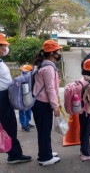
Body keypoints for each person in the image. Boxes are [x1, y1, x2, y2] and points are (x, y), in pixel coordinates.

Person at [0, 33, 32, 164]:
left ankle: (14, 153)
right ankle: (14, 154)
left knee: (11, 125)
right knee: (8, 126)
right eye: (4, 46)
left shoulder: (1, 60)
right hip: (1, 98)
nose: (6, 48)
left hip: (5, 96)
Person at [32, 40, 62, 166]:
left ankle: (46, 153)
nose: (60, 52)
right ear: (52, 53)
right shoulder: (49, 67)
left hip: (38, 102)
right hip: (43, 103)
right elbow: (50, 89)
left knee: (43, 130)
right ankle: (45, 158)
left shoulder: (43, 64)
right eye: (58, 50)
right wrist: (55, 107)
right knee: (44, 131)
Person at [18, 64, 35, 132]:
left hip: (28, 94)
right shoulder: (23, 77)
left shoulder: (30, 76)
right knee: (23, 110)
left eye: (25, 71)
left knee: (28, 109)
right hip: (22, 95)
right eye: (22, 71)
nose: (23, 73)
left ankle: (27, 122)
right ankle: (23, 125)